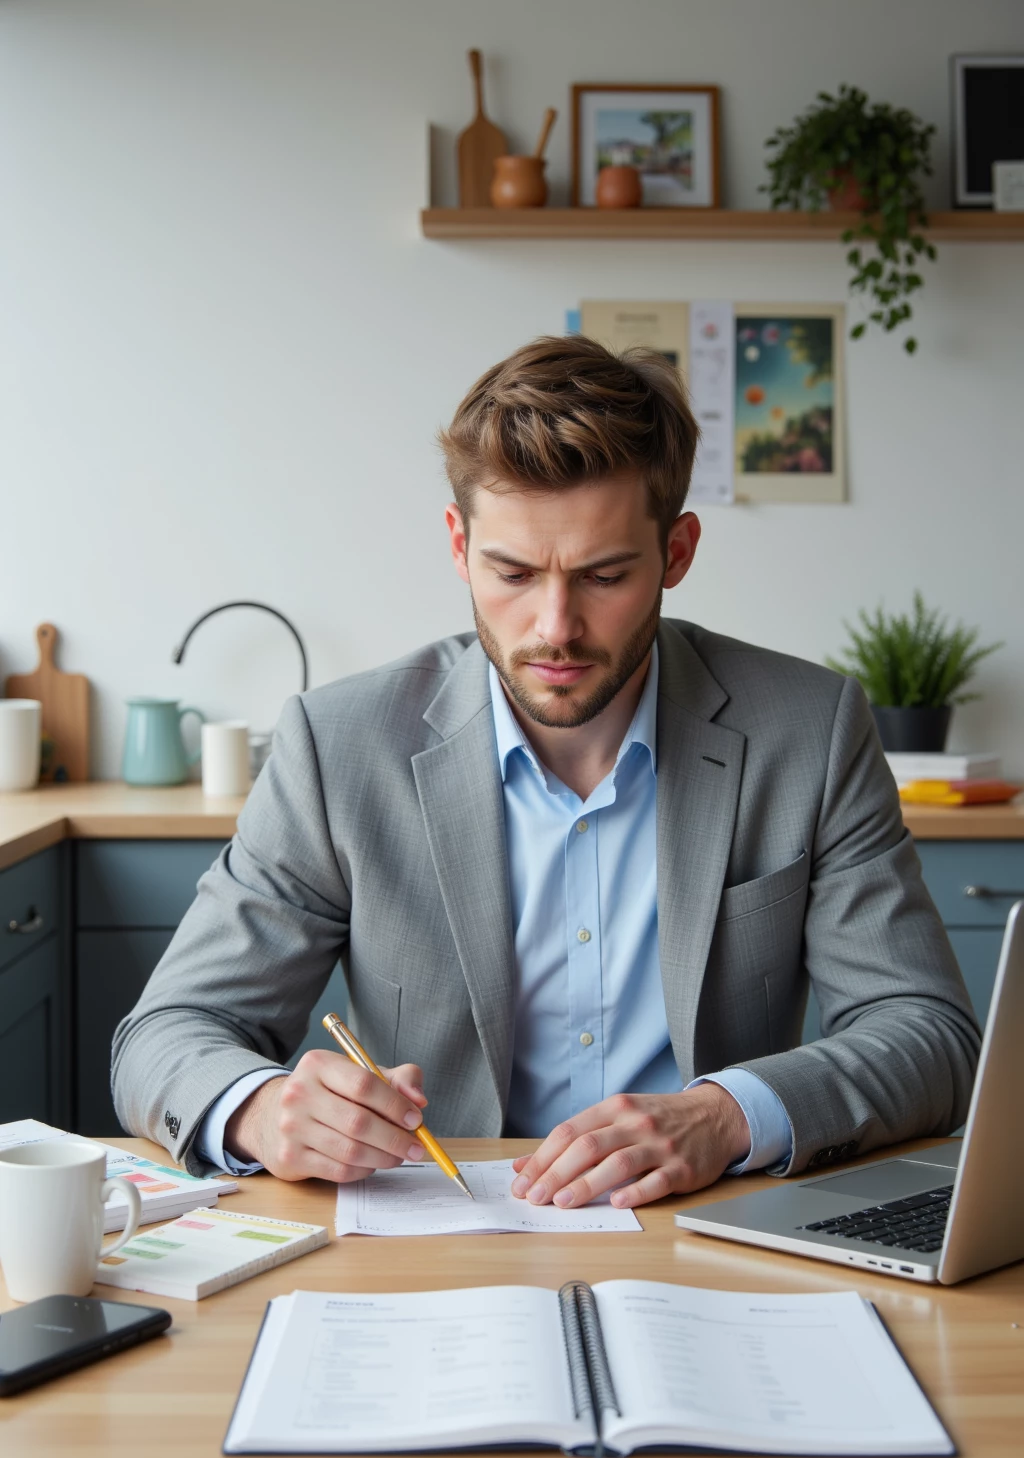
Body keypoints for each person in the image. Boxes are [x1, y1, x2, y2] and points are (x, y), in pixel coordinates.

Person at [112, 336, 980, 1212]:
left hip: (714, 1235)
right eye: (513, 573)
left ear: (676, 553)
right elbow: (167, 1034)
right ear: (459, 545)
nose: (554, 626)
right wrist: (261, 1110)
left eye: (604, 575)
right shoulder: (337, 747)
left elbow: (931, 1036)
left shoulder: (811, 728)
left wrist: (725, 1117)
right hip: (434, 1250)